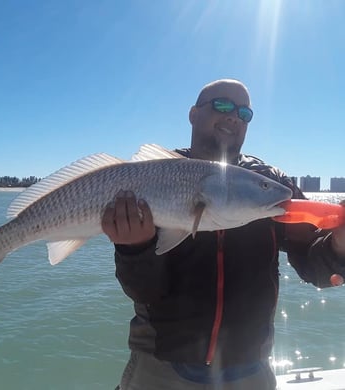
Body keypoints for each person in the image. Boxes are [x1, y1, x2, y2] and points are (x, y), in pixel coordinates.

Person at [101, 79, 345, 390]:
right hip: (161, 366)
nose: (234, 116)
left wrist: (339, 245)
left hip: (249, 370)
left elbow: (316, 269)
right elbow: (145, 292)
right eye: (222, 105)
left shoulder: (270, 187)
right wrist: (134, 249)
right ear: (193, 114)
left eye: (245, 113)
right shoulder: (152, 174)